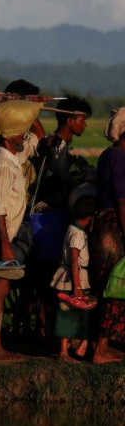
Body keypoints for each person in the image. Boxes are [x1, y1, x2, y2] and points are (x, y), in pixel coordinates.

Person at [0, 127, 34, 361]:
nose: (24, 135)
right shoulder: (3, 164)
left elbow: (32, 142)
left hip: (9, 236)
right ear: (5, 136)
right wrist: (5, 244)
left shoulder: (12, 157)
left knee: (0, 287)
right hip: (3, 238)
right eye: (19, 131)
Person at [90, 108, 125, 364]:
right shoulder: (120, 159)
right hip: (114, 228)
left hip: (103, 225)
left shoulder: (108, 155)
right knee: (116, 286)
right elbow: (123, 201)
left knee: (106, 286)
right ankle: (100, 350)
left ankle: (97, 345)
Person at [52, 194, 95, 362]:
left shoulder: (74, 229)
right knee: (67, 313)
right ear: (89, 218)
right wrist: (76, 286)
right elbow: (75, 259)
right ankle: (63, 352)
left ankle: (77, 345)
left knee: (78, 312)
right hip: (73, 278)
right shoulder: (77, 234)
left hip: (76, 276)